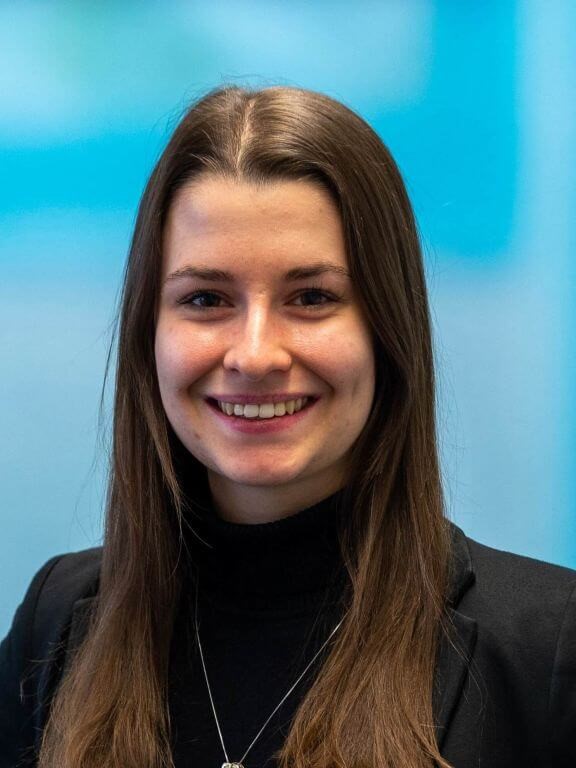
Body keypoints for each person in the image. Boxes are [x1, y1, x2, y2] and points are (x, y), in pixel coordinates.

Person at [0, 84, 574, 768]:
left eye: (311, 297)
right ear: (149, 331)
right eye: (205, 299)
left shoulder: (548, 647)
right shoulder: (57, 624)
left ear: (387, 329)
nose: (255, 355)